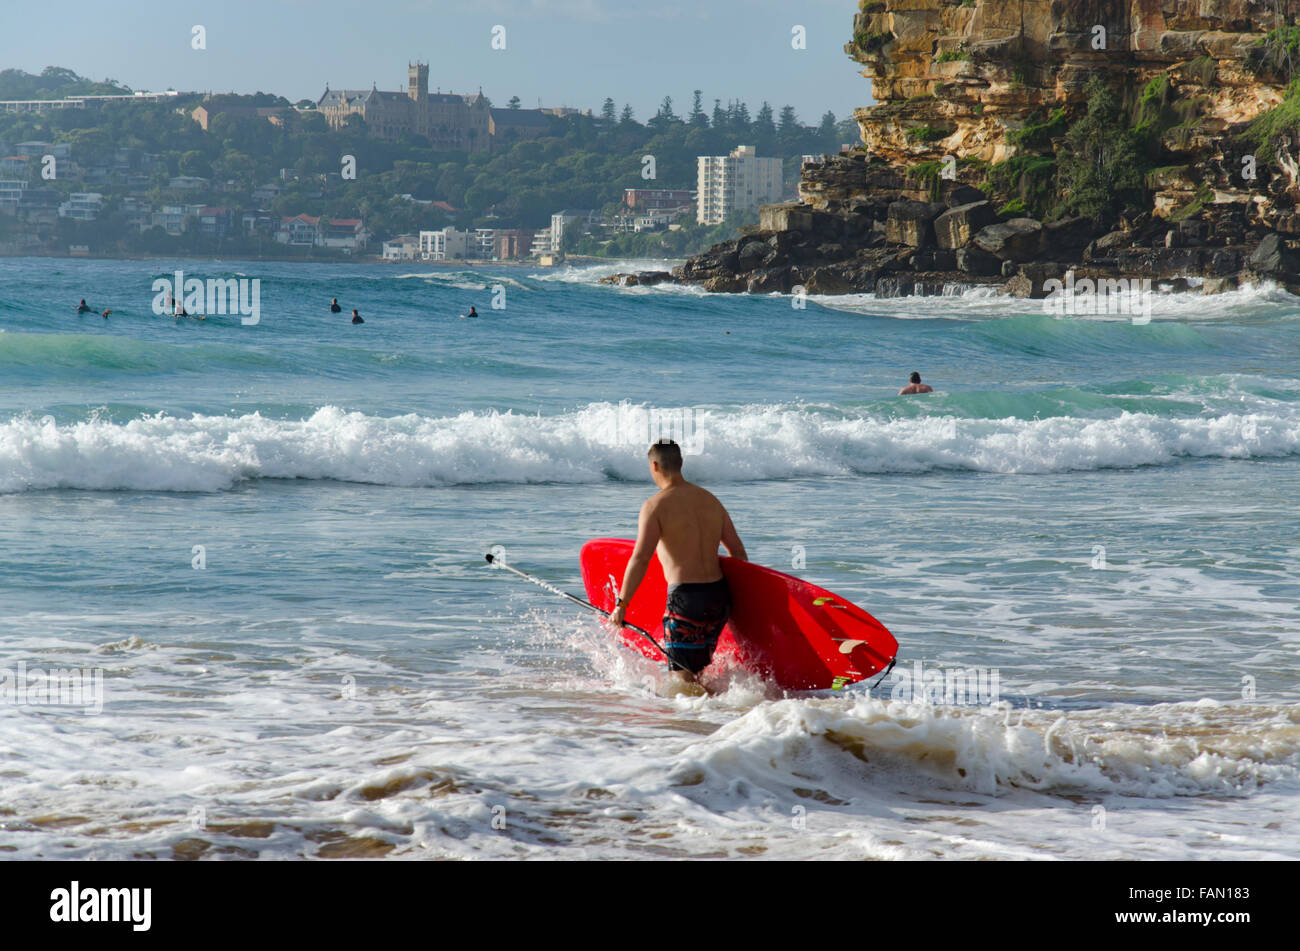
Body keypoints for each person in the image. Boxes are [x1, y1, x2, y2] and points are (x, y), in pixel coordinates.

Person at [608, 439, 747, 688]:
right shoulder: (710, 500)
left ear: (654, 466)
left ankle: (693, 723)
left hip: (685, 600)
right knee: (700, 674)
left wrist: (622, 603)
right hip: (718, 596)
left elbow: (640, 559)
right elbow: (737, 551)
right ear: (681, 463)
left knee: (682, 679)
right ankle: (716, 720)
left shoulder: (655, 506)